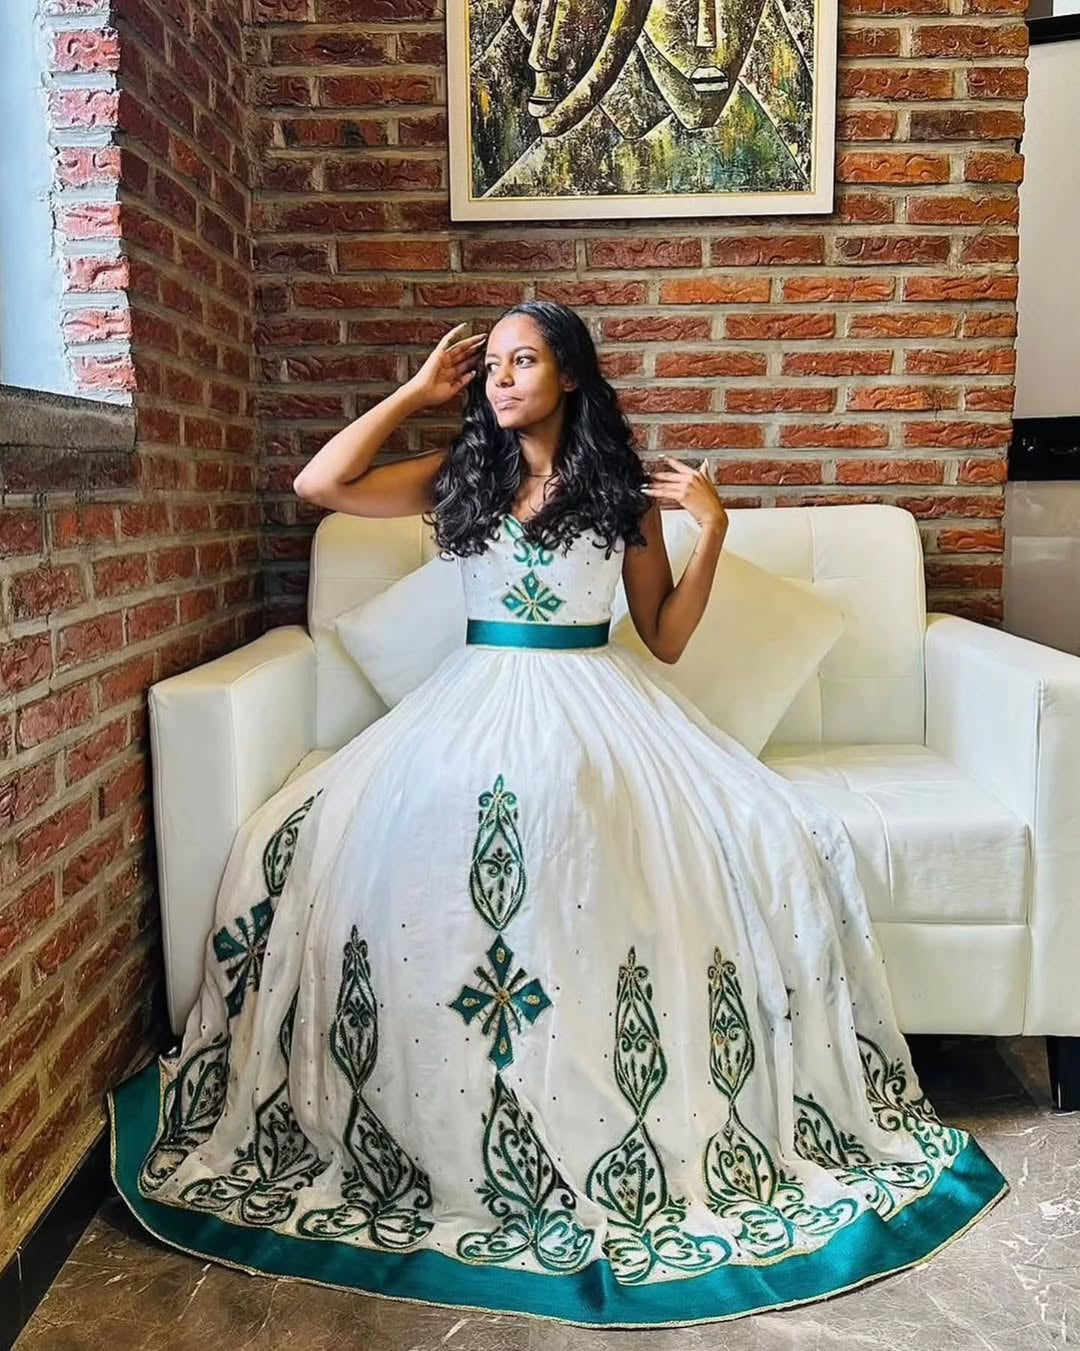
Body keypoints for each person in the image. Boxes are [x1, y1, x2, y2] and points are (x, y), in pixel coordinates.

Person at [108, 301, 1007, 1329]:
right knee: (438, 807)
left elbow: (664, 639)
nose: (499, 378)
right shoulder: (461, 477)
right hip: (474, 690)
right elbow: (320, 486)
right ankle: (444, 1114)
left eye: (521, 361)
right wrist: (416, 393)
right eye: (489, 364)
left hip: (595, 692)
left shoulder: (620, 493)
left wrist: (709, 529)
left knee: (581, 799)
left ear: (569, 374)